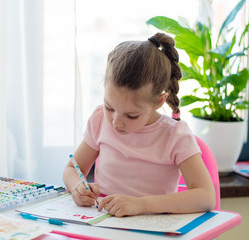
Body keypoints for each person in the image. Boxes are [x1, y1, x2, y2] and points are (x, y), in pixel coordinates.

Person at [62, 32, 216, 217]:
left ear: (159, 101)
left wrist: (140, 205)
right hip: (103, 222)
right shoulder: (99, 120)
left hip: (152, 226)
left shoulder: (175, 135)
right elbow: (72, 169)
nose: (116, 122)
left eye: (131, 115)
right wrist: (77, 187)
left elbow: (206, 197)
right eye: (109, 107)